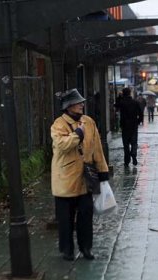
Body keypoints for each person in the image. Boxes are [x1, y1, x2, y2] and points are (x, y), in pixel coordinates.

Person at [51, 88, 109, 261]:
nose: (82, 105)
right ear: (68, 106)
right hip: (65, 179)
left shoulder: (89, 122)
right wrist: (78, 134)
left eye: (81, 102)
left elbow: (97, 147)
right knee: (66, 218)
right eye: (78, 102)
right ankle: (67, 249)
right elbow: (62, 145)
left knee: (85, 215)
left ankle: (86, 248)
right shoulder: (58, 124)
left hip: (86, 178)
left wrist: (103, 171)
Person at [118, 87, 143, 166]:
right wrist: (138, 121)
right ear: (129, 93)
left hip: (125, 126)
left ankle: (127, 160)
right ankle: (133, 154)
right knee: (134, 142)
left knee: (126, 144)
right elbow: (141, 113)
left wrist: (119, 97)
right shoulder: (135, 102)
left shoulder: (122, 103)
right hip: (133, 125)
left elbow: (116, 105)